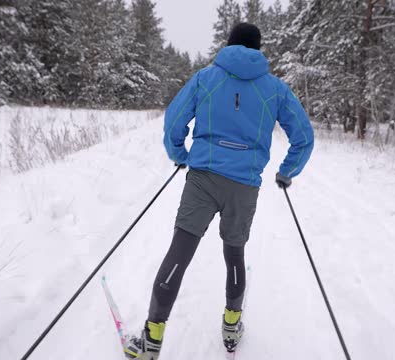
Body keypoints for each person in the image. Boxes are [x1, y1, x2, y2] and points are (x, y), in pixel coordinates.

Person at [125, 23, 314, 359]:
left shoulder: (206, 78)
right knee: (235, 255)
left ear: (229, 46)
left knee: (179, 254)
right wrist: (286, 172)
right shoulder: (275, 89)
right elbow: (303, 137)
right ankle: (231, 326)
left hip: (202, 179)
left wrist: (180, 155)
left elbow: (173, 122)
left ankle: (151, 340)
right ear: (258, 49)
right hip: (244, 186)